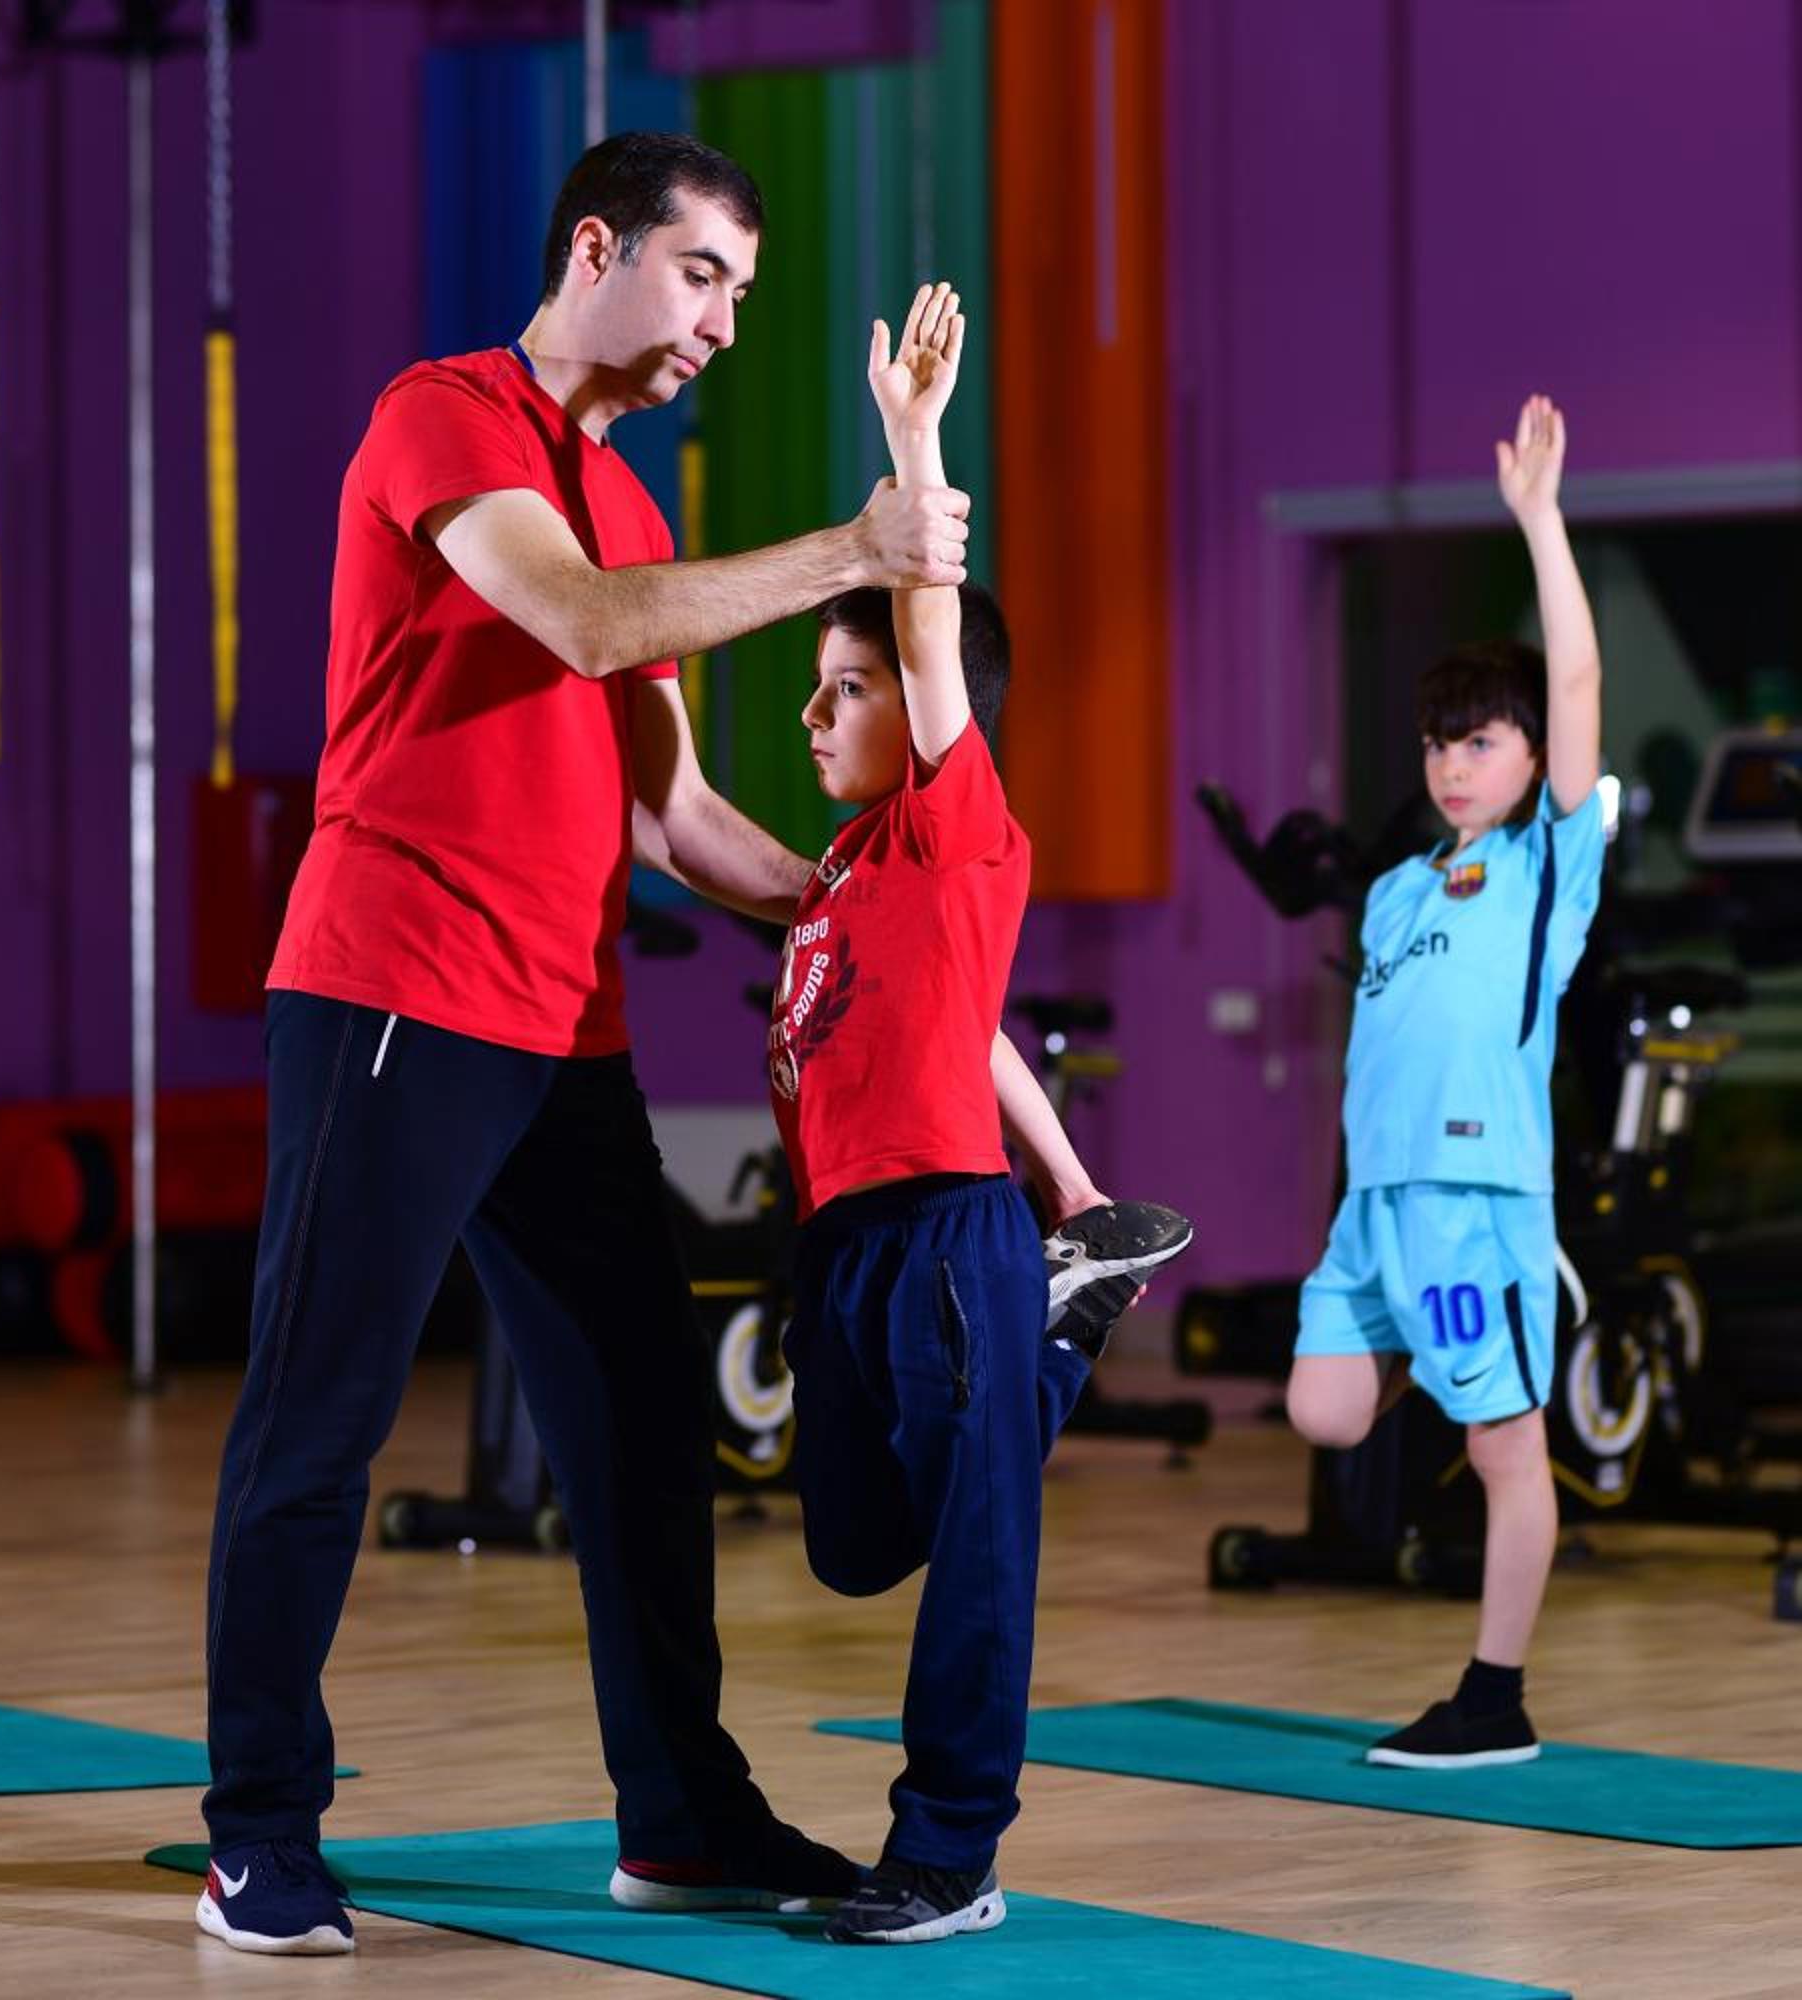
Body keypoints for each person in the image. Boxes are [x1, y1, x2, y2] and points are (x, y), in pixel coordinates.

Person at [195, 132, 981, 1959]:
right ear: (596, 250)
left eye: (743, 297)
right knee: (320, 1415)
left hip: (564, 1025)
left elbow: (671, 814)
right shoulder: (445, 419)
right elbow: (581, 619)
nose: (722, 325)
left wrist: (869, 904)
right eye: (703, 277)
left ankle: (682, 1818)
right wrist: (856, 548)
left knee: (639, 1424)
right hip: (394, 992)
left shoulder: (630, 504)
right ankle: (258, 1833)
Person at [767, 283, 1123, 1945]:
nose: (814, 715)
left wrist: (911, 443)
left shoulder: (948, 829)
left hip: (945, 1231)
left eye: (840, 690)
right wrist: (1084, 1192)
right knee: (853, 1541)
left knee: (980, 1537)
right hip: (843, 1247)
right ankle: (1066, 1324)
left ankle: (948, 1854)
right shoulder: (843, 877)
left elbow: (927, 642)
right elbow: (973, 1035)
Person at [1284, 396, 1599, 1770]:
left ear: (1529, 760)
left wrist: (1540, 521)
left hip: (1476, 1204)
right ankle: (1457, 1353)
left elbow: (1575, 686)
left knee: (1501, 1455)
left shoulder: (1547, 868)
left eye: (1480, 742)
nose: (1452, 764)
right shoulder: (1402, 888)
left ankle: (1495, 1696)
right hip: (1378, 1209)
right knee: (1325, 1409)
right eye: (1437, 743)